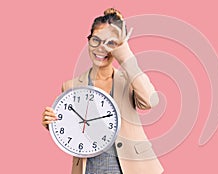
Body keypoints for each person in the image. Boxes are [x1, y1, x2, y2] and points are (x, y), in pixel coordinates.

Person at [41, 8, 164, 174]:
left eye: (110, 43)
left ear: (120, 47)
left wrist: (125, 55)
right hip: (90, 168)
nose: (101, 48)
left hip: (130, 169)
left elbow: (150, 101)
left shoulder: (130, 82)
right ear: (88, 41)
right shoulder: (70, 86)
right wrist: (53, 124)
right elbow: (74, 126)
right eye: (96, 40)